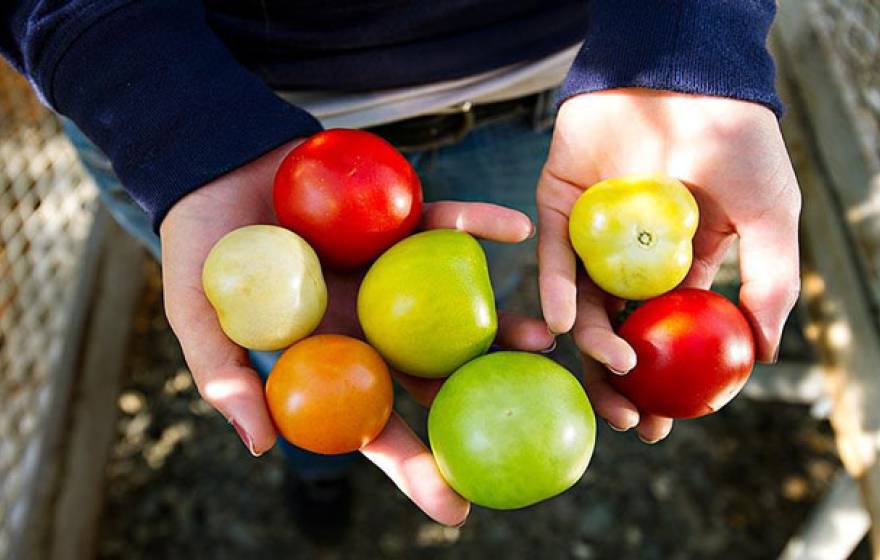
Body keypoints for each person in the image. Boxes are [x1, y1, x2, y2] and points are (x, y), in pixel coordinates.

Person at [1, 0, 801, 534]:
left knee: (526, 292)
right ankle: (310, 458)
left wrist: (686, 36)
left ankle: (315, 451)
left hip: (567, 98)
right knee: (294, 364)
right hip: (202, 123)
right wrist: (171, 124)